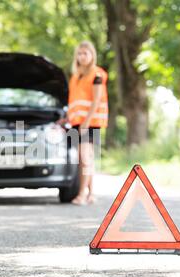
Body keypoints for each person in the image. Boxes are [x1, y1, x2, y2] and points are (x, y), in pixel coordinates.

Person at [66, 41, 109, 205]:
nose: (82, 56)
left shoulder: (97, 74)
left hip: (90, 122)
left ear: (92, 55)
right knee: (86, 158)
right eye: (79, 53)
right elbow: (75, 101)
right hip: (78, 122)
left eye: (85, 53)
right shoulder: (75, 76)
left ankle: (82, 194)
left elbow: (97, 100)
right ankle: (91, 193)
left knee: (85, 158)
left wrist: (87, 121)